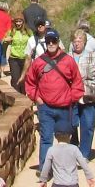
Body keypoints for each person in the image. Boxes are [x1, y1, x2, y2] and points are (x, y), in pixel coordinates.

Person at [24, 28, 84, 170]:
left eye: (54, 41)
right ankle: (44, 168)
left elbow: (77, 82)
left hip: (64, 107)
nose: (51, 43)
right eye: (48, 41)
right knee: (46, 139)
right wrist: (36, 98)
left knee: (64, 140)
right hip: (46, 108)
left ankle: (64, 167)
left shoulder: (68, 61)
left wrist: (71, 98)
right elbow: (30, 82)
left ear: (58, 42)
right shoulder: (38, 62)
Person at [69, 27, 95, 160]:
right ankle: (73, 146)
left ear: (85, 42)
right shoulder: (67, 57)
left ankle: (84, 154)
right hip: (71, 95)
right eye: (75, 41)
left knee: (88, 124)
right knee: (71, 123)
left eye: (80, 41)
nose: (77, 43)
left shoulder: (92, 56)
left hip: (89, 94)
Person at [38, 123, 95, 187]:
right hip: (73, 184)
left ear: (55, 136)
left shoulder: (51, 150)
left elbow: (46, 167)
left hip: (57, 184)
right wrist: (89, 176)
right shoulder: (74, 149)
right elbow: (83, 164)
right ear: (70, 136)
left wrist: (43, 180)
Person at [7, 16, 33, 89]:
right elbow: (3, 40)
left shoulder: (28, 31)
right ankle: (15, 95)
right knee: (15, 79)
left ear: (23, 22)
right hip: (14, 58)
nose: (18, 23)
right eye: (16, 21)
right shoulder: (12, 31)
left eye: (20, 21)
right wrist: (7, 39)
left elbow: (34, 41)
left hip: (25, 59)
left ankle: (23, 96)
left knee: (24, 79)